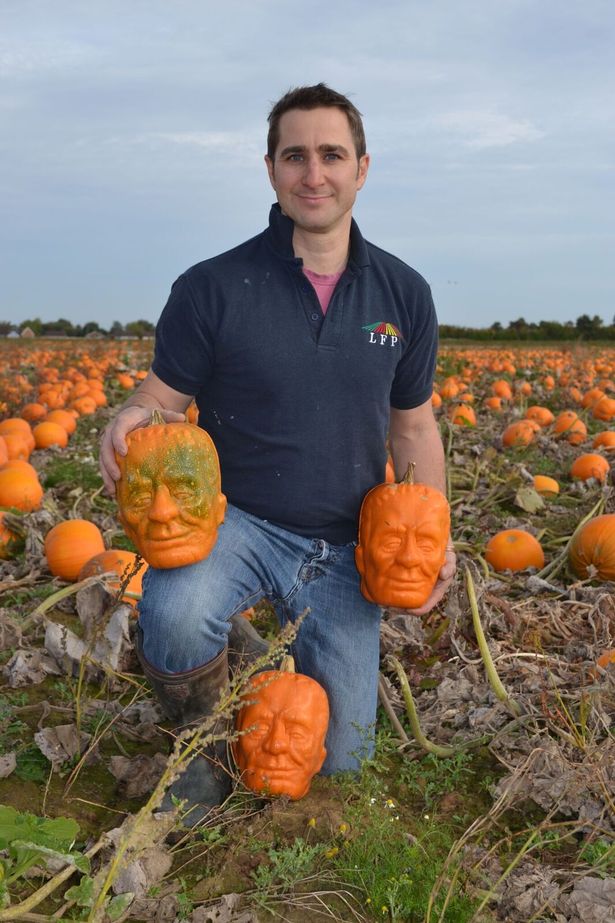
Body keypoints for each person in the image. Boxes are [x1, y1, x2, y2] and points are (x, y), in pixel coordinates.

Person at [100, 83, 456, 823]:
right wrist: (131, 413)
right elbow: (161, 397)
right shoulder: (213, 286)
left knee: (346, 758)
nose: (313, 173)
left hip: (343, 541)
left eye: (331, 155)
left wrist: (434, 531)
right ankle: (197, 752)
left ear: (362, 167)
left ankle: (255, 647)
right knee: (175, 603)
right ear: (270, 170)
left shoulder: (403, 293)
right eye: (295, 155)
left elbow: (414, 428)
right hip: (242, 523)